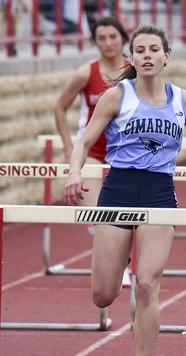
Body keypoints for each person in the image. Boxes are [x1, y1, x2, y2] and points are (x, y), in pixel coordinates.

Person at [64, 24, 186, 354]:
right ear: (132, 57)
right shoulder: (117, 96)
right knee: (102, 294)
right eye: (140, 51)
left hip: (158, 192)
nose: (147, 56)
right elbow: (83, 142)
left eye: (154, 50)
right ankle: (121, 254)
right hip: (118, 189)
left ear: (166, 56)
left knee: (146, 285)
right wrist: (74, 172)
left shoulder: (183, 99)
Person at [54, 16, 131, 286]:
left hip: (128, 153)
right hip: (93, 153)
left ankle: (122, 258)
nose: (108, 43)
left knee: (132, 216)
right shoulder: (86, 72)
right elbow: (59, 107)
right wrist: (67, 146)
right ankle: (116, 265)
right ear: (94, 41)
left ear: (123, 37)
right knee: (100, 214)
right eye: (101, 38)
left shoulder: (136, 68)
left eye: (113, 37)